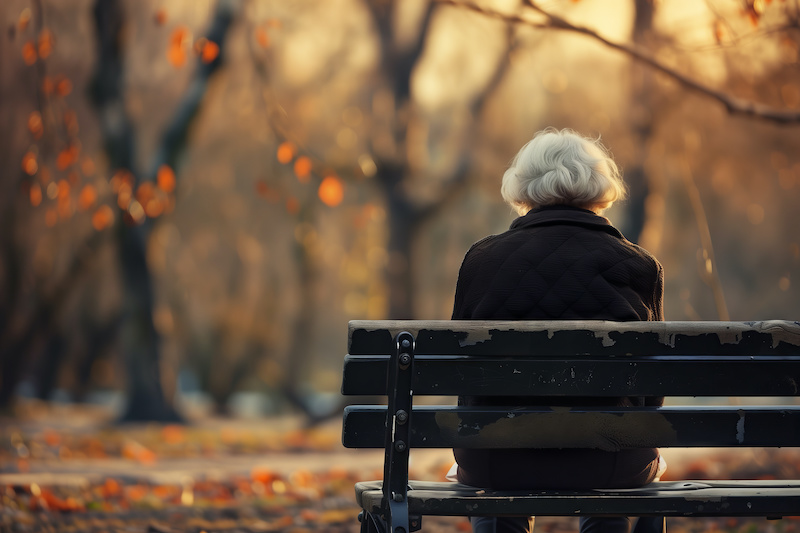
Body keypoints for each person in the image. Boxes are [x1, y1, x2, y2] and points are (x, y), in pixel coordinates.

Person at [450, 128, 665, 533]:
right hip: (610, 461)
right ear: (600, 185)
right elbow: (651, 392)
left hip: (499, 459)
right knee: (627, 449)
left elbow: (463, 371)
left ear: (523, 186)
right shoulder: (640, 266)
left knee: (490, 459)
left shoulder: (480, 261)